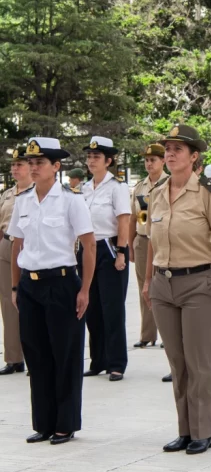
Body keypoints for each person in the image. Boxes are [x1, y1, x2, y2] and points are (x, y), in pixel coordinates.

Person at [142, 124, 211, 455]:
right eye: (167, 148)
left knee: (199, 362)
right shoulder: (156, 193)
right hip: (163, 284)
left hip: (199, 283)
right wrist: (148, 280)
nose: (169, 153)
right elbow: (152, 239)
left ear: (194, 157)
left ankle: (202, 431)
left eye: (177, 149)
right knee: (177, 363)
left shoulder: (208, 193)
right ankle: (184, 430)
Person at [9, 137, 96, 444]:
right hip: (31, 286)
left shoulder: (71, 200)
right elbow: (18, 245)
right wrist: (16, 286)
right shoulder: (23, 200)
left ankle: (65, 423)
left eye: (39, 163)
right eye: (30, 163)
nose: (33, 168)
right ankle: (43, 422)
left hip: (62, 283)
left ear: (56, 167)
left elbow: (88, 245)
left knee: (66, 354)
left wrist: (84, 289)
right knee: (37, 354)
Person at [81, 136, 131, 382]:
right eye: (89, 157)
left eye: (96, 157)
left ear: (108, 161)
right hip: (88, 249)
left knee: (112, 308)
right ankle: (98, 360)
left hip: (111, 247)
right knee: (92, 308)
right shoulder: (84, 188)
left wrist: (121, 251)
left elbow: (124, 220)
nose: (91, 161)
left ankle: (116, 363)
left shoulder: (117, 187)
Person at [129, 143, 167, 349]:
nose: (149, 163)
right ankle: (147, 334)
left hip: (162, 240)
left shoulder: (169, 183)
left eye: (153, 160)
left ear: (163, 161)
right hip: (143, 240)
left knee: (161, 286)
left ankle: (165, 333)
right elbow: (133, 217)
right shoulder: (139, 187)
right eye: (146, 160)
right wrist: (130, 244)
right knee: (144, 285)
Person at [0, 146, 33, 376]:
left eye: (19, 164)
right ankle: (13, 358)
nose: (14, 168)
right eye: (13, 165)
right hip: (6, 245)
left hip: (28, 247)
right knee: (7, 304)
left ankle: (34, 359)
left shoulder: (36, 192)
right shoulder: (8, 194)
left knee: (29, 303)